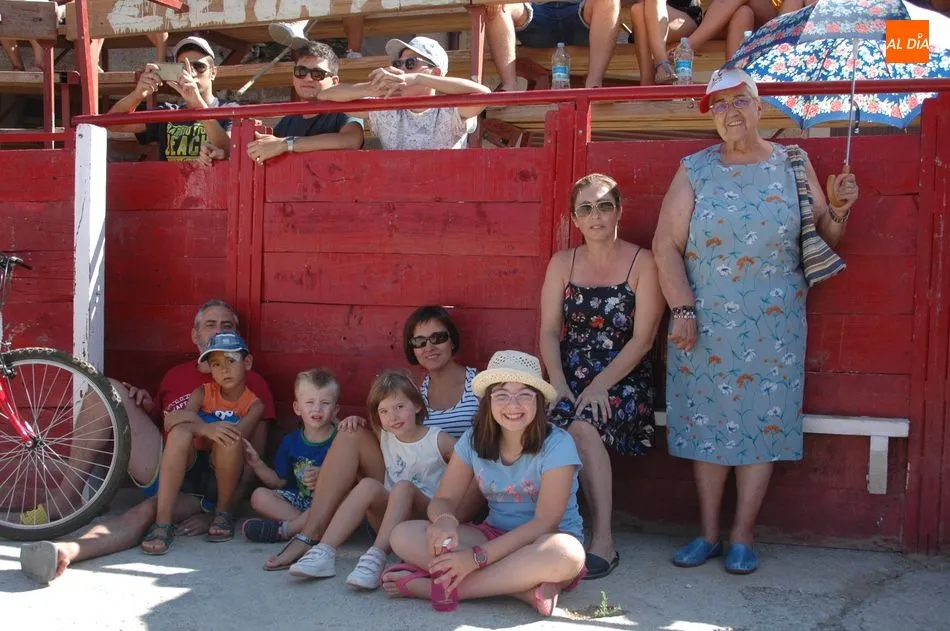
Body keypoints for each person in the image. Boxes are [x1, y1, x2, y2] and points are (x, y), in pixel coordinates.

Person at [652, 69, 859, 574]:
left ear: (759, 105)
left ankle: (742, 535)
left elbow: (824, 239)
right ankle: (707, 533)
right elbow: (665, 245)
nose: (731, 113)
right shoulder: (696, 169)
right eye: (720, 106)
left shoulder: (794, 162)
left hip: (775, 326)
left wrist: (839, 208)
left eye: (740, 100)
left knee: (762, 425)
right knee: (706, 424)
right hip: (703, 323)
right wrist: (682, 308)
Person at [17, 300, 276, 583]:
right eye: (210, 324)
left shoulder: (253, 385)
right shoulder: (177, 375)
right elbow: (163, 423)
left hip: (203, 486)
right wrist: (144, 404)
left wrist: (219, 513)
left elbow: (252, 459)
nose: (218, 331)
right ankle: (66, 498)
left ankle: (66, 552)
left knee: (143, 512)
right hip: (167, 462)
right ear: (195, 335)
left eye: (226, 325)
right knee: (108, 391)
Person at [384, 350, 586, 617]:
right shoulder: (472, 440)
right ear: (488, 401)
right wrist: (444, 520)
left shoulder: (558, 444)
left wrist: (476, 558)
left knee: (567, 554)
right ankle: (521, 590)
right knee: (402, 535)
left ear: (538, 400)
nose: (513, 405)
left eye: (524, 394)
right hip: (493, 534)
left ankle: (437, 589)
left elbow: (545, 522)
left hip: (544, 541)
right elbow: (444, 499)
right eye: (501, 395)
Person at [539, 173, 664, 579]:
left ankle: (603, 543)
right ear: (575, 218)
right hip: (568, 374)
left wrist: (598, 385)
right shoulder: (563, 263)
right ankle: (538, 530)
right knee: (531, 421)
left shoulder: (643, 262)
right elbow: (548, 331)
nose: (596, 215)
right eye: (586, 208)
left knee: (582, 427)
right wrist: (557, 383)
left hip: (623, 376)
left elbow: (643, 339)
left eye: (605, 206)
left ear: (619, 212)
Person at [288, 371, 456, 591]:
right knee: (367, 485)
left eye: (399, 407)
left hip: (422, 520)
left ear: (416, 405)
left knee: (403, 487)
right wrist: (353, 420)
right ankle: (324, 552)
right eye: (384, 411)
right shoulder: (385, 434)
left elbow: (467, 461)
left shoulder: (438, 440)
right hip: (387, 519)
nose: (393, 416)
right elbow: (358, 436)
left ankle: (376, 558)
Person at [141, 331, 265, 553]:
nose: (224, 369)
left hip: (221, 476)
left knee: (229, 439)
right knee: (180, 433)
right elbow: (173, 421)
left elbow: (235, 436)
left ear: (247, 362)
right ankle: (163, 522)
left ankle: (223, 513)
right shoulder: (202, 392)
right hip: (190, 467)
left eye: (231, 361)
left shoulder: (254, 406)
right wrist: (205, 428)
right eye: (216, 364)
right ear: (209, 369)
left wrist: (203, 428)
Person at [198, 40, 364, 166]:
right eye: (301, 71)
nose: (307, 78)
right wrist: (222, 154)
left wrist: (286, 144)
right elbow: (264, 151)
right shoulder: (288, 120)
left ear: (334, 81)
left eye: (317, 74)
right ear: (293, 77)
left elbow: (351, 141)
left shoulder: (344, 110)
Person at [317, 36, 490, 150]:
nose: (402, 70)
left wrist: (418, 78)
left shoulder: (450, 109)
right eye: (398, 64)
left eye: (411, 63)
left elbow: (483, 95)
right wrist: (371, 87)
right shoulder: (385, 107)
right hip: (398, 192)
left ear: (436, 73)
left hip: (445, 192)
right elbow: (326, 95)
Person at [241, 369, 340, 543]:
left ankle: (296, 528)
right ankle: (311, 527)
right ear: (297, 408)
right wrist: (257, 464)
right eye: (309, 402)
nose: (317, 409)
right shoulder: (291, 441)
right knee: (259, 496)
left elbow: (351, 481)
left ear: (335, 410)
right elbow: (278, 482)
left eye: (325, 403)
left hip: (330, 503)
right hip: (299, 502)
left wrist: (324, 476)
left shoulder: (342, 440)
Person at [106, 36, 235, 161]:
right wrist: (137, 94)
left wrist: (198, 105)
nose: (192, 73)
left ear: (213, 72)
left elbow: (231, 150)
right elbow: (113, 125)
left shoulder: (230, 110)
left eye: (199, 67)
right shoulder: (167, 113)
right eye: (183, 68)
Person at [480, 0, 621, 91]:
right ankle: (509, 86)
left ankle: (594, 84)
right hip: (535, 13)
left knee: (609, 1)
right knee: (498, 4)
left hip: (581, 13)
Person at [403, 306, 480, 439]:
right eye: (419, 341)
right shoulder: (415, 392)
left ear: (452, 342)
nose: (429, 347)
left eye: (438, 337)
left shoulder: (478, 384)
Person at [679, 0, 810, 62]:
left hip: (786, 22)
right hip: (729, 13)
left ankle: (688, 45)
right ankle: (733, 78)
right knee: (743, 13)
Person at [629, 1, 704, 85]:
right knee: (637, 9)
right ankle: (647, 81)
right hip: (650, 14)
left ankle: (662, 63)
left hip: (685, 16)